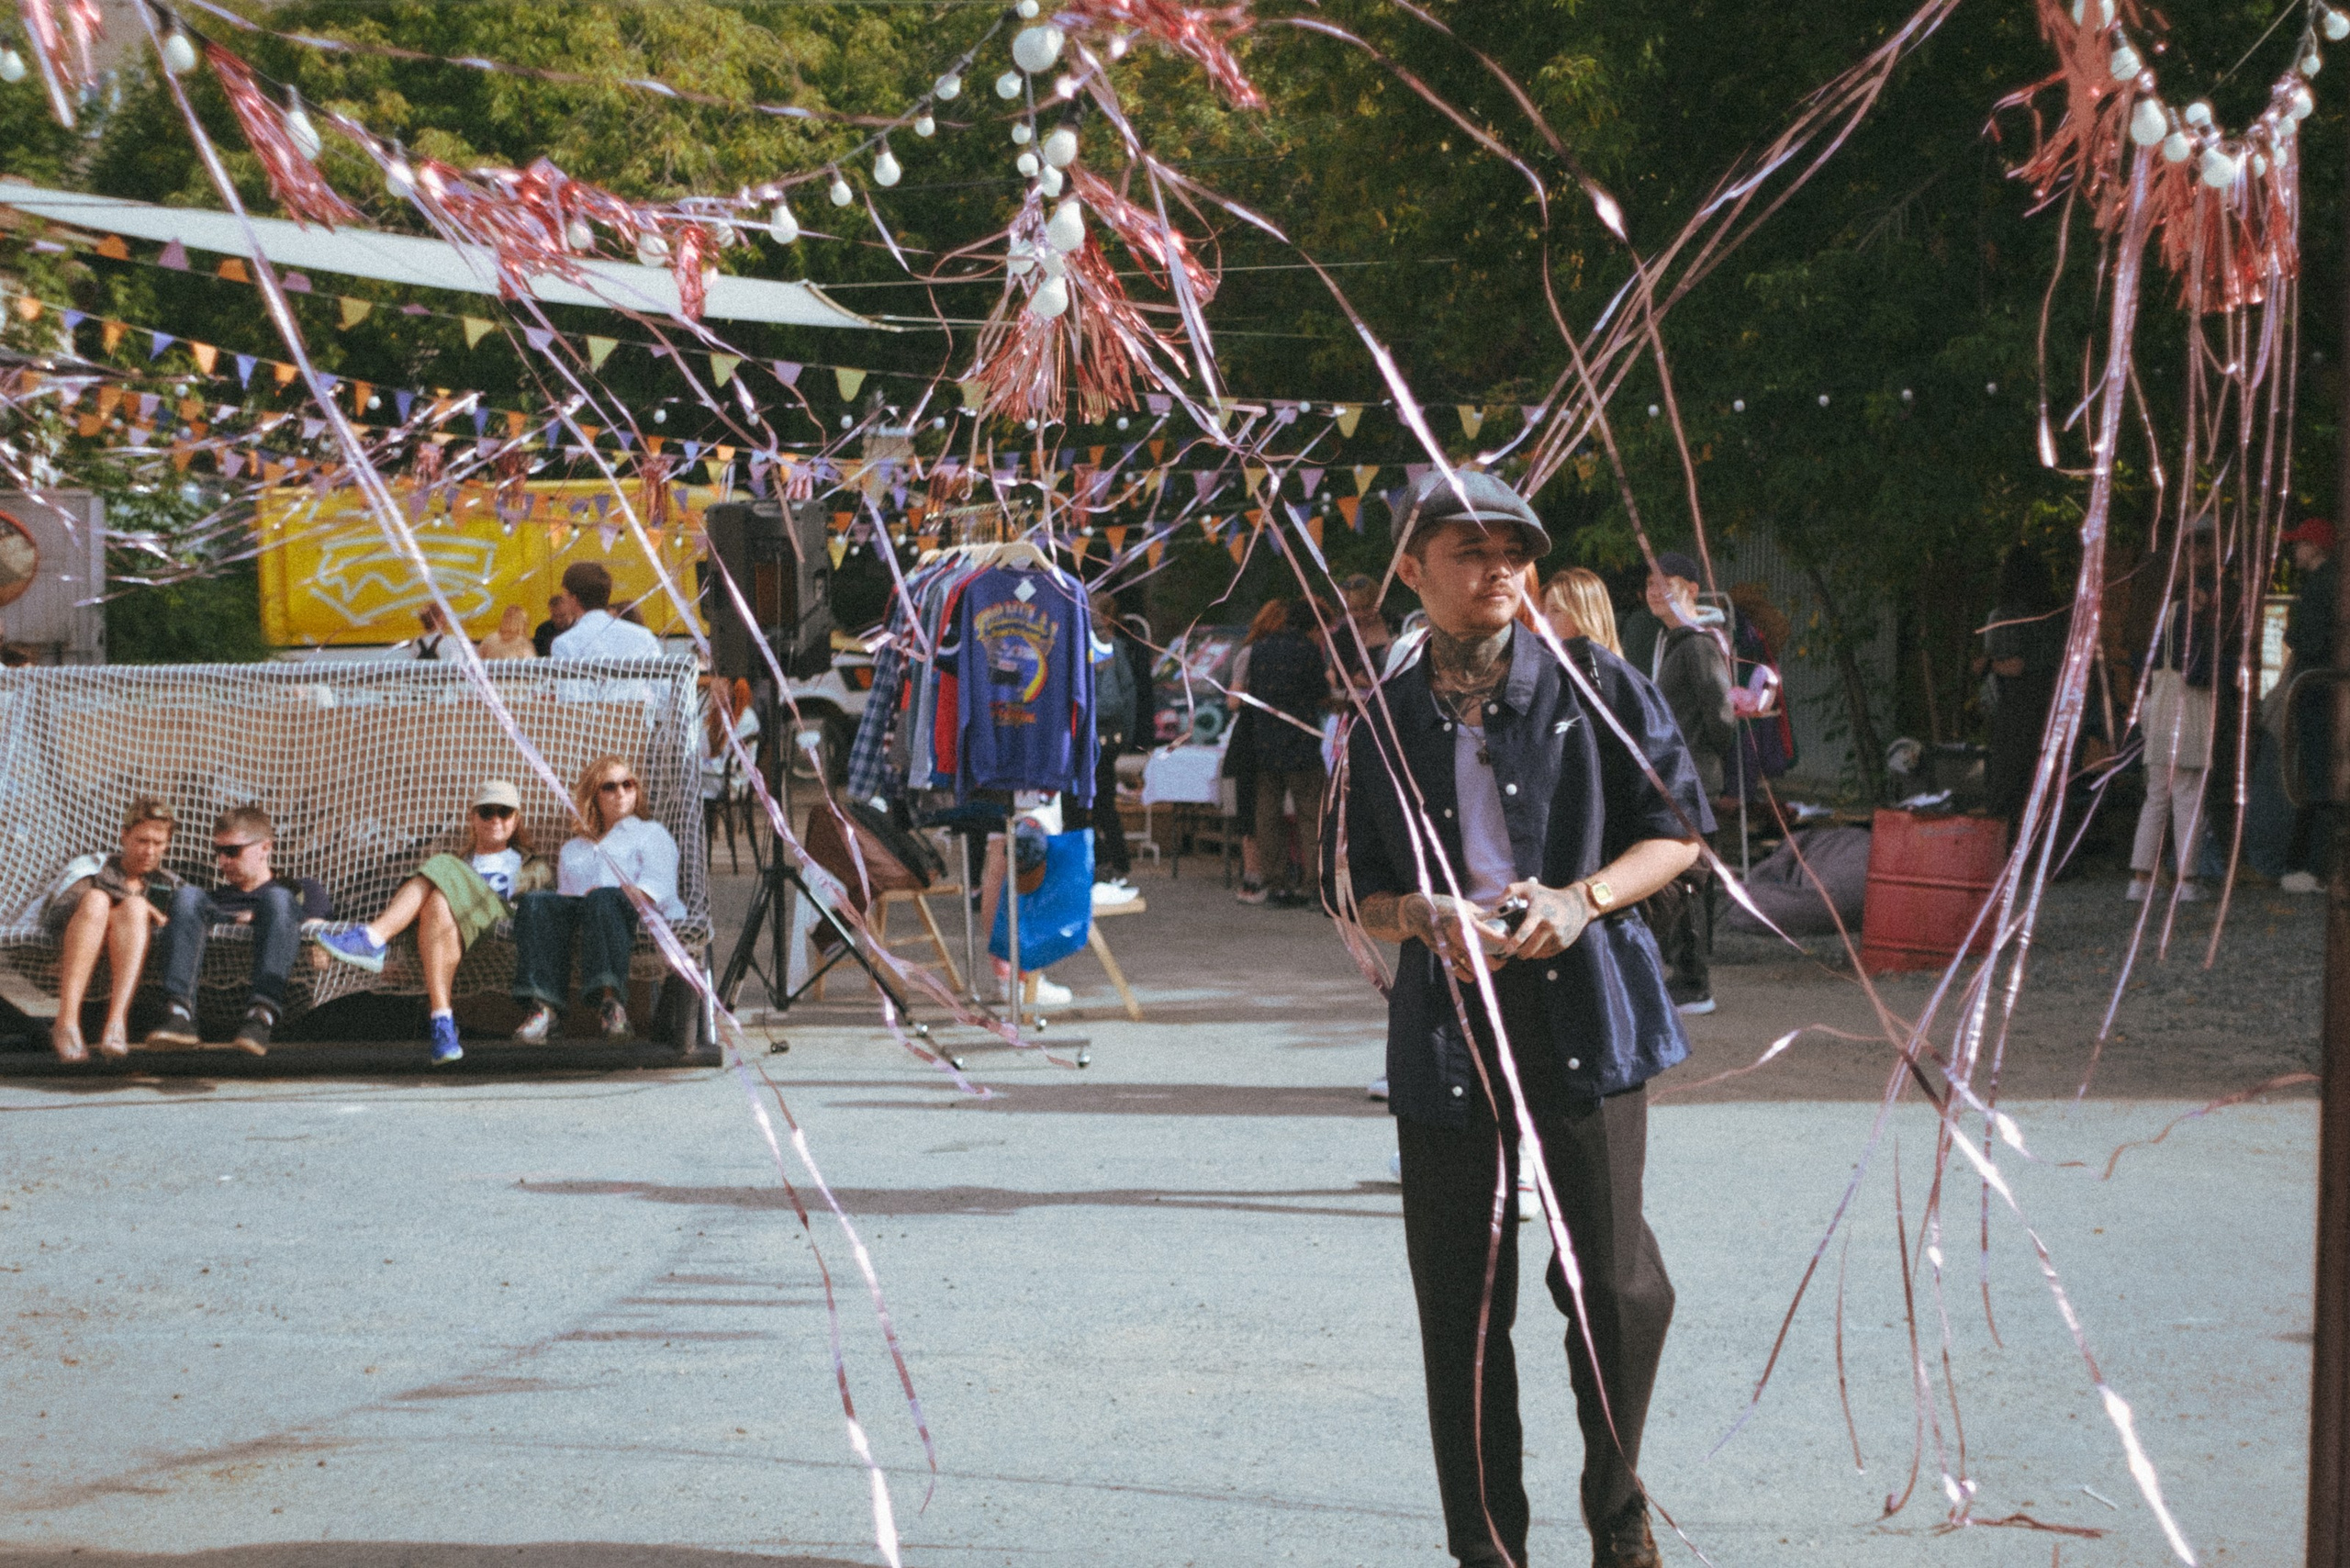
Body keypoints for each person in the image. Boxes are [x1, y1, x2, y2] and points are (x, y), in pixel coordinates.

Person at [1328, 467, 1708, 1568]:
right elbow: (1362, 893)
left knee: (1614, 1280)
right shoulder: (1385, 717)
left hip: (1584, 1005)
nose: (1496, 570)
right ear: (1414, 568)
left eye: (1512, 552)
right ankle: (1486, 1544)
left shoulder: (1599, 686)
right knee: (1459, 1293)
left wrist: (1578, 898)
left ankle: (1618, 1510)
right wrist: (1422, 912)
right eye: (1468, 551)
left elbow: (1678, 831)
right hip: (1448, 1020)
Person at [311, 779, 553, 1065]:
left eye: (505, 812)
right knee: (437, 900)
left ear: (516, 820)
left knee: (441, 864)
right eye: (487, 812)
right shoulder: (463, 861)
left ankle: (372, 938)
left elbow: (542, 914)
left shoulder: (531, 865)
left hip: (500, 921)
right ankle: (442, 1022)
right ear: (473, 818)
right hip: (454, 933)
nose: (496, 820)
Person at [510, 755, 684, 1044]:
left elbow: (658, 888)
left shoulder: (650, 834)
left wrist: (606, 893)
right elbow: (566, 903)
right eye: (610, 787)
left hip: (633, 913)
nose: (621, 793)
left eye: (628, 785)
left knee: (603, 898)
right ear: (594, 796)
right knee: (536, 902)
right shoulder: (573, 849)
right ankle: (543, 1010)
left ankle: (611, 1005)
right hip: (587, 913)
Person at [144, 805, 330, 1057]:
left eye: (232, 851)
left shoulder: (301, 891)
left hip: (286, 996)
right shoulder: (211, 901)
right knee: (187, 895)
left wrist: (261, 919)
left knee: (277, 899)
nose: (223, 861)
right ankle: (179, 1014)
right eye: (219, 852)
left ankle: (261, 1015)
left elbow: (320, 959)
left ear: (265, 848)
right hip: (215, 996)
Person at [1640, 552, 1735, 1016]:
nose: (1655, 590)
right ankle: (1685, 975)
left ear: (1693, 590)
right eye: (1650, 583)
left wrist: (1709, 766)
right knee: (1677, 877)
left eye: (1667, 582)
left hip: (1693, 779)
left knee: (1688, 880)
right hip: (1674, 777)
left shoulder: (1698, 644)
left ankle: (1695, 983)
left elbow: (1721, 718)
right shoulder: (1671, 641)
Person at [44, 797, 183, 1062]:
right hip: (75, 941)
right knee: (97, 901)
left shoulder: (167, 884)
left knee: (135, 908)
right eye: (142, 841)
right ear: (124, 836)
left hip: (131, 955)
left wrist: (142, 908)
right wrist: (113, 905)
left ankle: (116, 1023)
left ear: (167, 845)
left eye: (158, 843)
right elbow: (57, 914)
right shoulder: (95, 866)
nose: (149, 851)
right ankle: (66, 1023)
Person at [1231, 598, 1331, 907]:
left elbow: (1252, 693)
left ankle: (1276, 884)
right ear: (1313, 627)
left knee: (1267, 817)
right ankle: (1312, 885)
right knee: (1311, 815)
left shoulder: (1260, 649)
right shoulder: (1308, 651)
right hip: (1301, 745)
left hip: (1265, 744)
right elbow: (1321, 695)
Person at [2128, 566, 2215, 903]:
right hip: (2187, 709)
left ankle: (2140, 878)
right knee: (2188, 796)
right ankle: (2187, 881)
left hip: (2157, 705)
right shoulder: (2192, 618)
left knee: (2156, 796)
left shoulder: (2161, 615)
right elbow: (2197, 671)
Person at [1983, 543, 2069, 842]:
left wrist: (1987, 665)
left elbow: (2015, 665)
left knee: (2009, 778)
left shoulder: (2008, 615)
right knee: (2047, 778)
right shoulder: (2057, 614)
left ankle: (2001, 849)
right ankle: (2050, 849)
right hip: (2054, 700)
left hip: (2020, 704)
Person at [1074, 601, 1149, 902]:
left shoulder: (1082, 643)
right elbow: (1128, 692)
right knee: (1105, 798)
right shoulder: (1113, 645)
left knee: (1082, 800)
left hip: (1087, 731)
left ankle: (1102, 860)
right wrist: (1127, 736)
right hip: (1111, 734)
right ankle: (1117, 860)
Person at [2279, 518, 2338, 894]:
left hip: (2317, 689)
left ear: (2316, 546)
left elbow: (2308, 639)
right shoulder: (2329, 584)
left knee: (2317, 774)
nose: (2294, 550)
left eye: (2300, 544)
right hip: (2323, 687)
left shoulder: (2321, 588)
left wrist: (2293, 632)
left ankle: (2317, 867)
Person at [550, 563, 663, 661]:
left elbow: (569, 685)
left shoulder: (565, 644)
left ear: (573, 598)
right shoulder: (644, 636)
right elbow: (661, 683)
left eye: (564, 593)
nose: (563, 597)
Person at [1541, 566, 1622, 656]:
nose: (1545, 619)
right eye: (1544, 611)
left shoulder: (1613, 669)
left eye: (1556, 610)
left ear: (1585, 618)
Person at [532, 592, 576, 658]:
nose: (558, 620)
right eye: (554, 616)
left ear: (571, 611)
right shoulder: (543, 630)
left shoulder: (578, 628)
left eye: (562, 615)